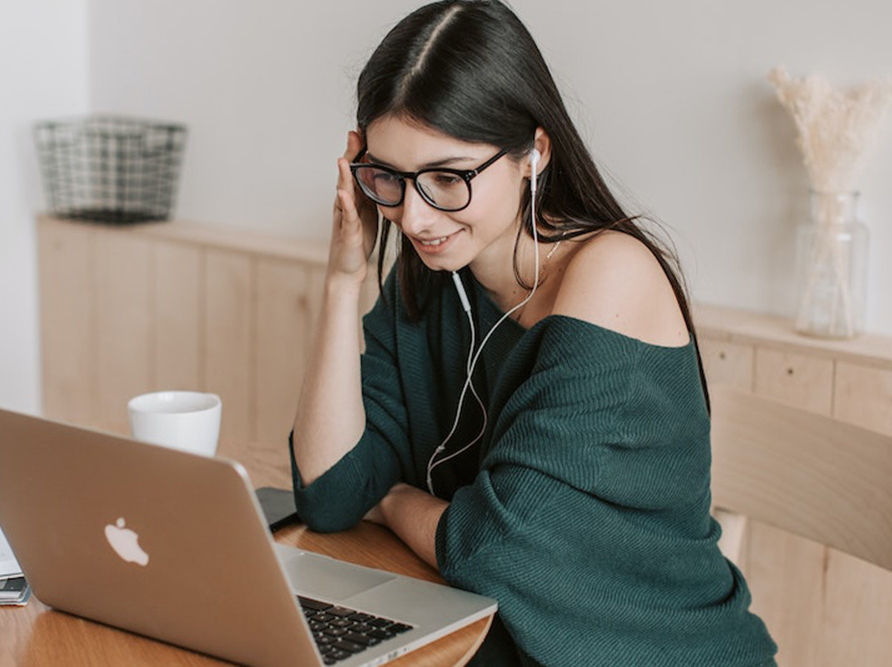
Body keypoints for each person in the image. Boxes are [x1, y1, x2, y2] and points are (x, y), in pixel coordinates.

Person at [290, 1, 777, 665]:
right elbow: (329, 491)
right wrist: (343, 279)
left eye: (448, 177)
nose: (414, 214)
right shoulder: (437, 272)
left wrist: (395, 494)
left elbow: (491, 545)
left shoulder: (612, 274)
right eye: (390, 179)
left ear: (534, 153)